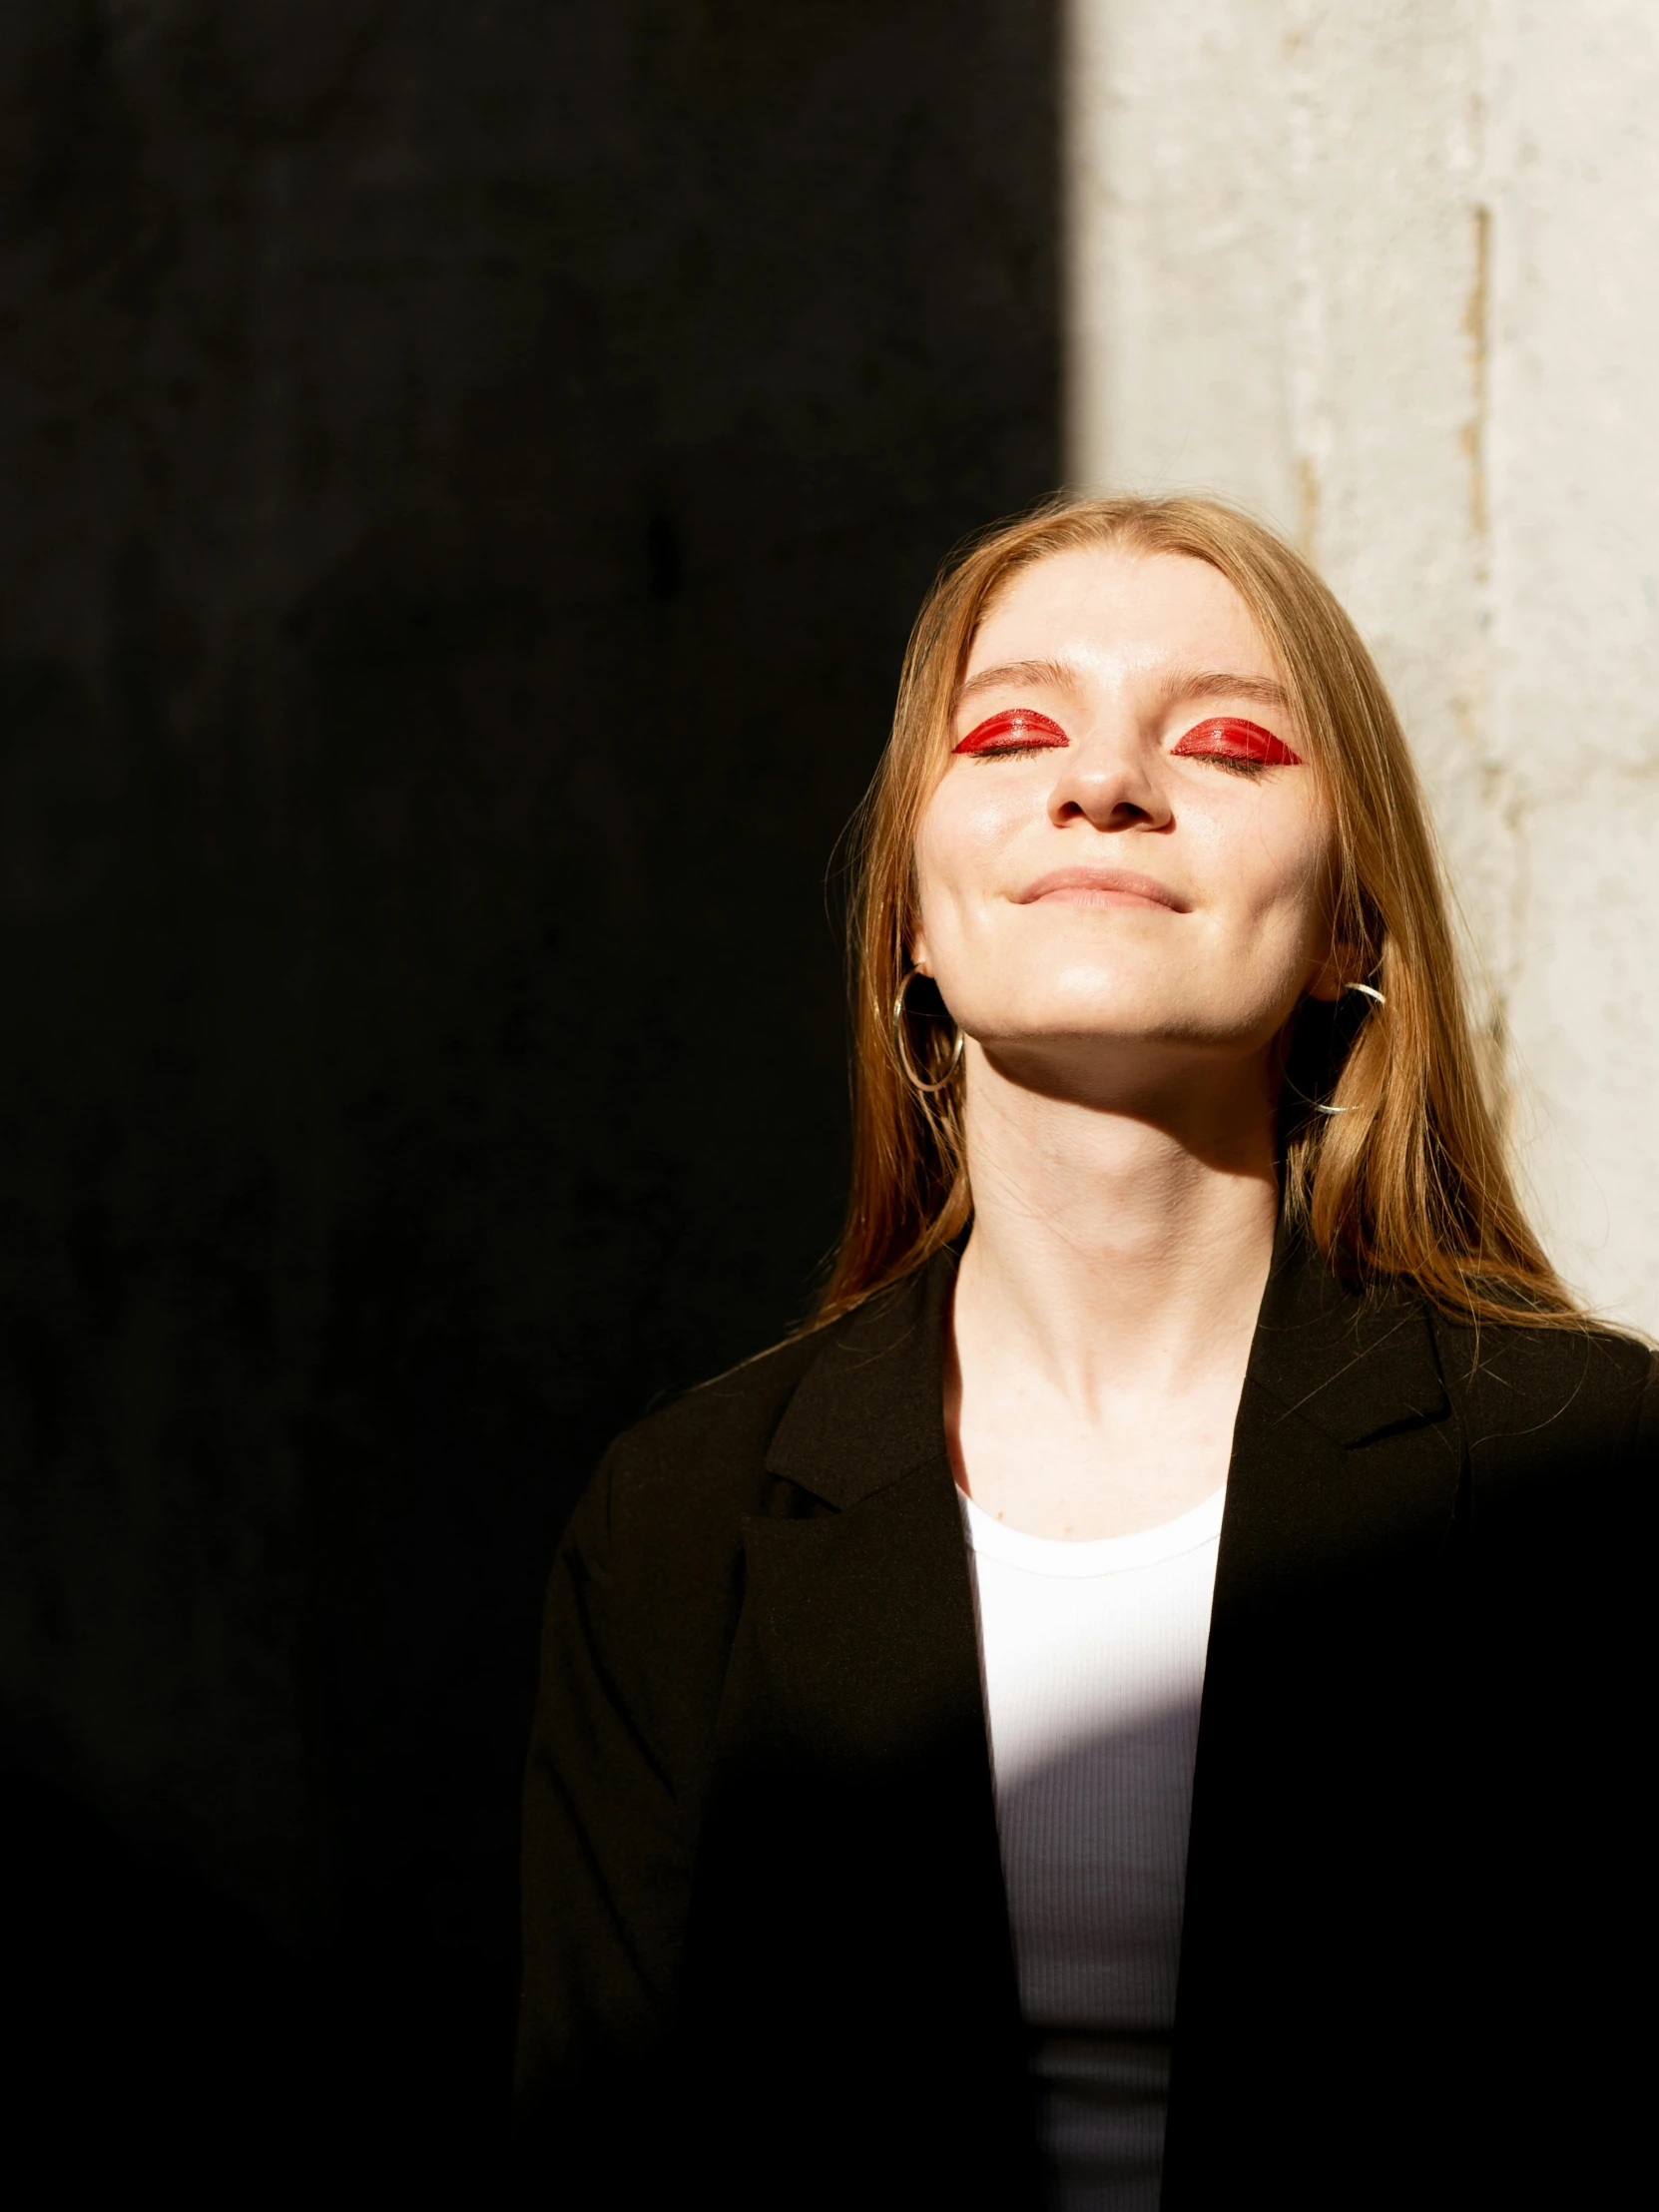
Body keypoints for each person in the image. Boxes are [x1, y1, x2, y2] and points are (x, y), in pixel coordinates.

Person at [513, 496, 1653, 2210]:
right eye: (1018, 728)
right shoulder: (680, 1518)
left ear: (1348, 924)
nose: (1103, 784)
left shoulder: (1597, 1471)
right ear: (908, 905)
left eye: (1229, 740)